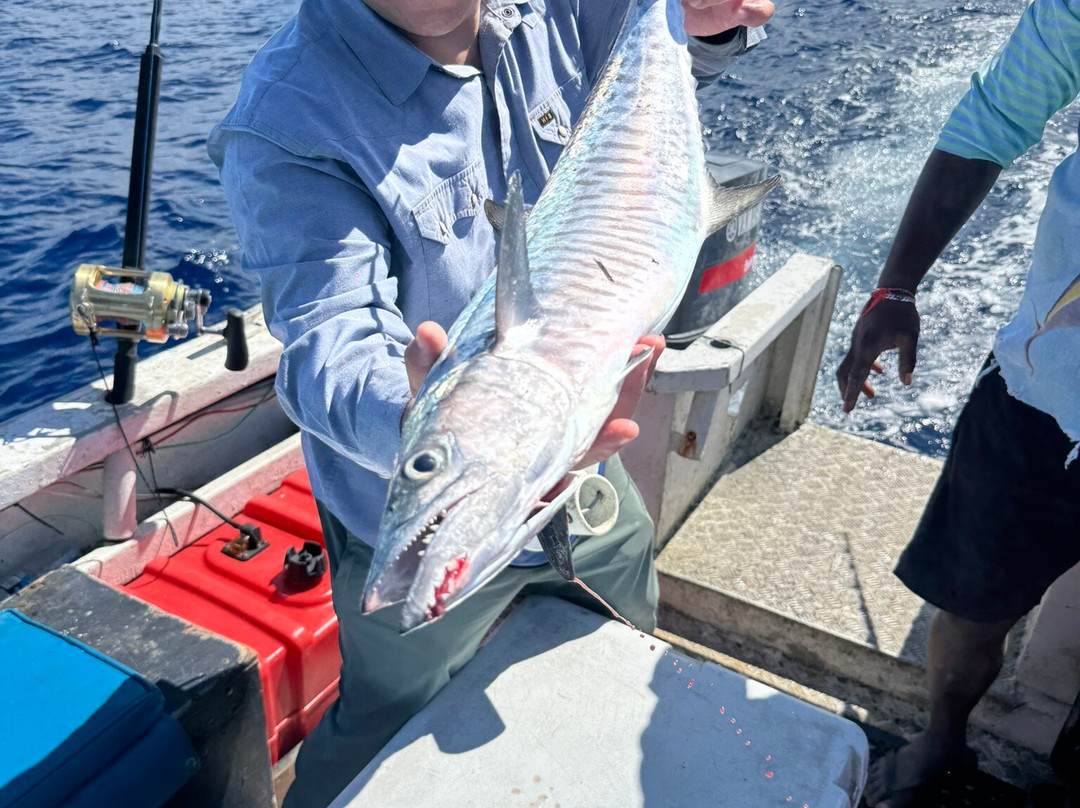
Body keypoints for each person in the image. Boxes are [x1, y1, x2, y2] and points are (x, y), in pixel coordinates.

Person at [209, 1, 773, 805]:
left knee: (616, 669)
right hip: (402, 517)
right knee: (383, 734)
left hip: (583, 486)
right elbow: (325, 344)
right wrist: (424, 431)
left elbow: (681, 44)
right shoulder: (287, 118)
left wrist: (710, 20)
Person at [836, 0, 1080, 806]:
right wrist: (895, 285)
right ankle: (940, 736)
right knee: (972, 599)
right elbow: (993, 118)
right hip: (1044, 389)